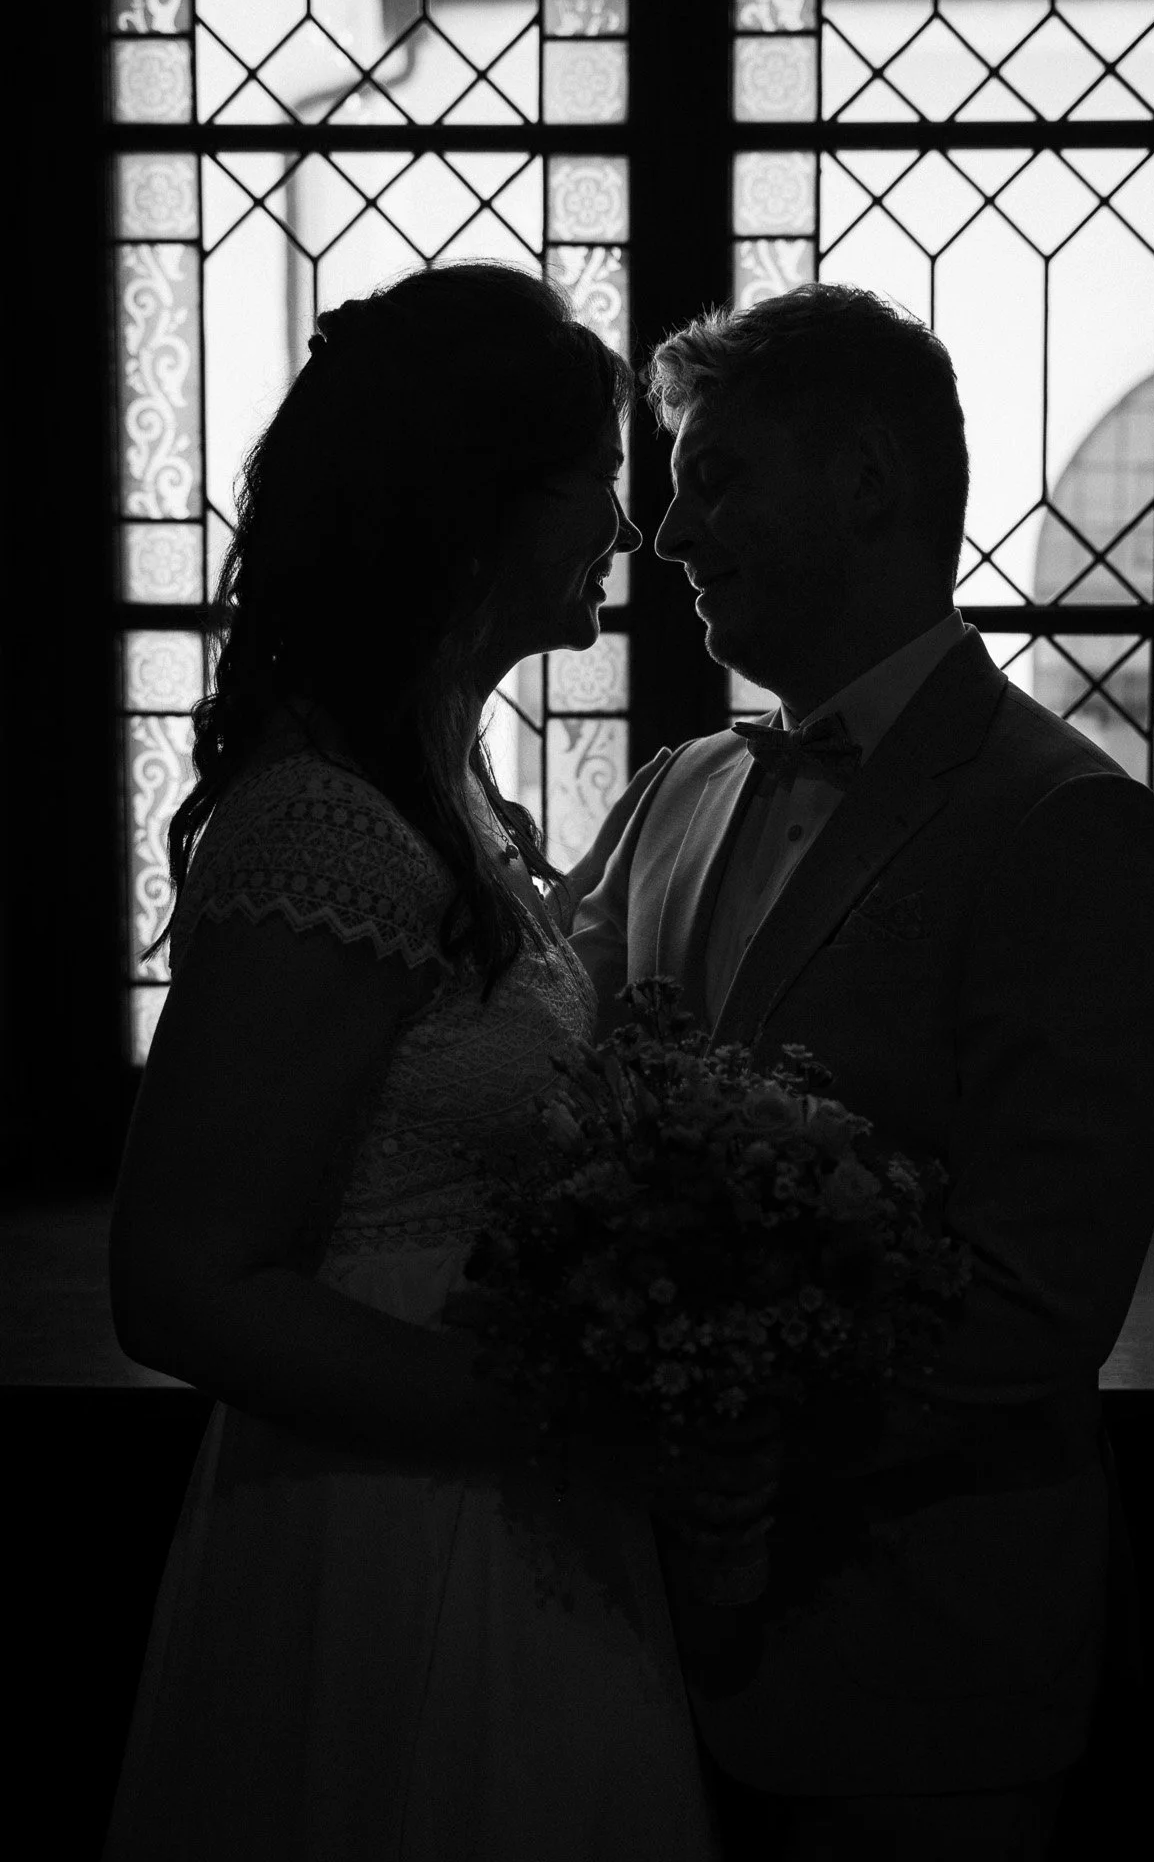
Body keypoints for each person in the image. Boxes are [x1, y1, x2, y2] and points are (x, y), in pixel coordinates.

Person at [103, 262, 726, 1861]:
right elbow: (179, 1282)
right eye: (597, 471)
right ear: (479, 503)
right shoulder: (329, 830)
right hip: (385, 1525)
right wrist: (544, 1417)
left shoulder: (453, 801)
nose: (627, 518)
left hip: (506, 1503)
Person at [568, 283, 1154, 1861]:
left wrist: (731, 1438)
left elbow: (1040, 1298)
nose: (666, 534)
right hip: (630, 1652)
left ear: (865, 480)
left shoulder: (1068, 828)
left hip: (924, 1667)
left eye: (714, 479)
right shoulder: (677, 790)